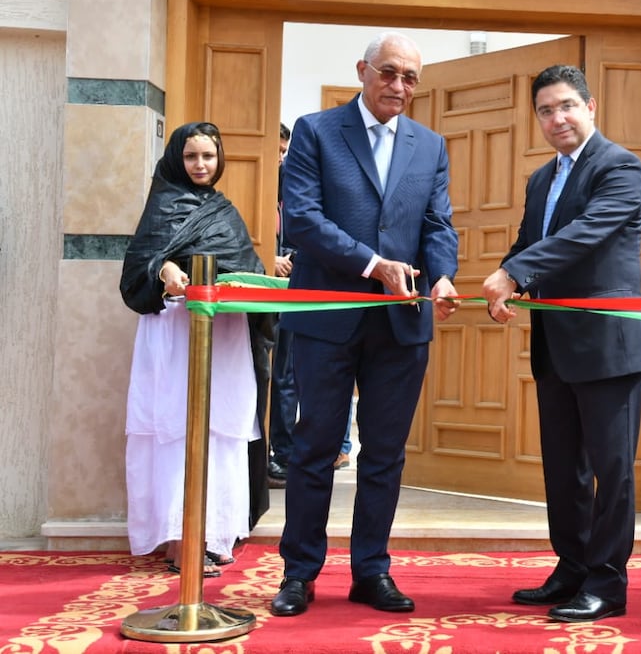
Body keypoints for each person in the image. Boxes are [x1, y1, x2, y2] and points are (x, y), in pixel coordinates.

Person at [269, 32, 460, 617]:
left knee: (384, 454)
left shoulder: (430, 145)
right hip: (327, 317)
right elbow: (300, 219)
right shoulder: (315, 131)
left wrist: (444, 276)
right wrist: (373, 265)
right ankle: (299, 574)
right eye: (389, 72)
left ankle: (370, 571)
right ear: (362, 70)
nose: (399, 86)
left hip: (401, 325)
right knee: (315, 447)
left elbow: (438, 224)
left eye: (410, 78)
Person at [481, 64, 641, 623]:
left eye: (566, 106)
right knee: (564, 470)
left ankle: (608, 583)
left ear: (591, 107)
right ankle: (573, 567)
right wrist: (508, 276)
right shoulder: (540, 179)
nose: (556, 118)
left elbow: (585, 236)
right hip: (556, 344)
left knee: (612, 470)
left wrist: (515, 273)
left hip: (609, 345)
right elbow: (530, 241)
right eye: (544, 110)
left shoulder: (620, 167)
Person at [119, 121, 270, 576]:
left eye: (208, 156)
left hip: (222, 336)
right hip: (174, 336)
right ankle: (178, 541)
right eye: (191, 157)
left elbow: (248, 267)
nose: (201, 165)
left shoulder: (225, 211)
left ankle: (213, 533)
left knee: (220, 430)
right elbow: (137, 269)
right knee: (175, 432)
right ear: (176, 160)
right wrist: (165, 269)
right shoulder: (162, 204)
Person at [268, 121, 296, 488]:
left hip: (290, 290)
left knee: (287, 376)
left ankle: (285, 454)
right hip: (255, 292)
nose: (278, 159)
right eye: (272, 150)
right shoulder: (248, 184)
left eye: (283, 152)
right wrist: (266, 258)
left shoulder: (291, 187)